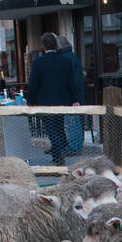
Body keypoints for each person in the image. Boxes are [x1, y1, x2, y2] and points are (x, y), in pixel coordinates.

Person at [26, 32, 80, 165]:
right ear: (56, 45)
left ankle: (58, 154)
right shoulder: (65, 61)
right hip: (62, 101)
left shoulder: (38, 62)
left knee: (51, 129)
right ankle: (59, 152)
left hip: (45, 102)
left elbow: (33, 84)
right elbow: (71, 82)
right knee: (59, 126)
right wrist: (75, 99)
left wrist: (31, 101)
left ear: (43, 46)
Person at [57, 35, 85, 155]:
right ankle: (74, 146)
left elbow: (70, 80)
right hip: (76, 94)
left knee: (72, 123)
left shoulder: (65, 58)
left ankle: (74, 148)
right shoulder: (72, 56)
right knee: (74, 122)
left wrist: (74, 97)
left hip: (72, 96)